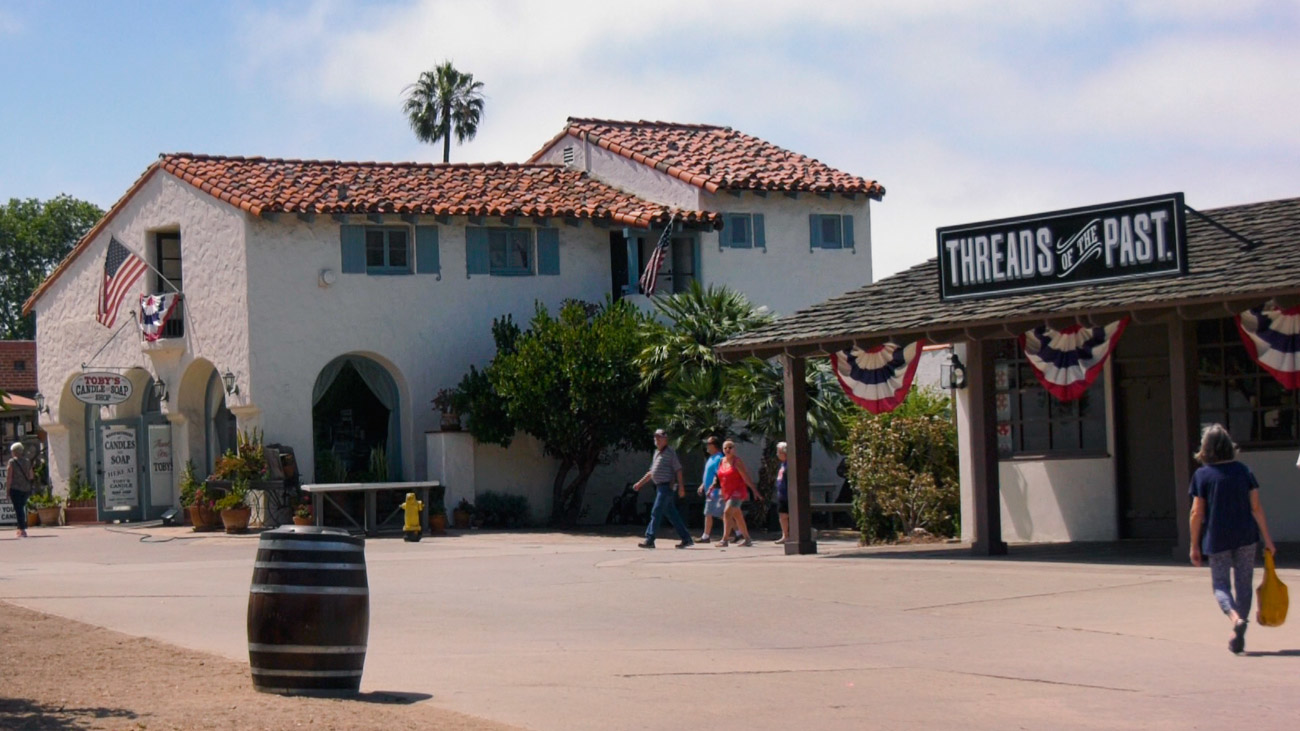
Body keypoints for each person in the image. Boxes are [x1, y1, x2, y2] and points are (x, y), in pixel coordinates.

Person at [1188, 424, 1276, 654]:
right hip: (1246, 535)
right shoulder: (1244, 471)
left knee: (1220, 584)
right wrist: (1268, 539)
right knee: (1244, 584)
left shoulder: (1202, 475)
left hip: (1217, 538)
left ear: (1205, 448)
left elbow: (1197, 513)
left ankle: (1235, 618)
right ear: (1229, 446)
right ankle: (1239, 628)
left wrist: (1194, 544)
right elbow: (1256, 507)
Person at [632, 429, 693, 549]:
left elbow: (678, 470)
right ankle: (686, 538)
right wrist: (640, 483)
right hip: (659, 487)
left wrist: (681, 487)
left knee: (656, 511)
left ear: (665, 439)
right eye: (656, 438)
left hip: (666, 487)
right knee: (672, 515)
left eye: (659, 438)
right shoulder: (656, 453)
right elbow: (651, 472)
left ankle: (650, 539)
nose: (657, 440)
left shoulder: (670, 452)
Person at [712, 440, 760, 547]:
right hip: (727, 492)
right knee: (738, 516)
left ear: (734, 449)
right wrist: (713, 485)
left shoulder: (737, 461)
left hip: (737, 492)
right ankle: (747, 539)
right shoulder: (721, 461)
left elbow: (746, 477)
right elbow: (718, 476)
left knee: (727, 512)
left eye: (730, 447)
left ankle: (724, 540)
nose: (728, 450)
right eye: (725, 448)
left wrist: (754, 491)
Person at [696, 436, 724, 543]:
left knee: (710, 513)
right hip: (710, 491)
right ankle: (739, 532)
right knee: (719, 514)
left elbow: (718, 475)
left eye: (708, 444)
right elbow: (709, 474)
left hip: (715, 491)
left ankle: (705, 536)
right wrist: (703, 485)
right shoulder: (711, 458)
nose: (707, 446)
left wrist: (712, 487)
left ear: (714, 445)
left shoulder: (719, 458)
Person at [6, 442, 36, 538]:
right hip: (25, 489)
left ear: (14, 452)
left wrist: (7, 490)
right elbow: (31, 475)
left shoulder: (12, 462)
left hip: (15, 488)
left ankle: (22, 529)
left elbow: (9, 477)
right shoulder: (27, 461)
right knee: (21, 508)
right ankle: (20, 528)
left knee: (18, 509)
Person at [773, 442, 790, 544]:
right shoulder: (783, 464)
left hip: (788, 495)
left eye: (779, 452)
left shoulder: (789, 464)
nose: (777, 454)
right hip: (781, 494)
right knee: (782, 515)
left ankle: (791, 534)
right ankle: (785, 535)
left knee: (789, 515)